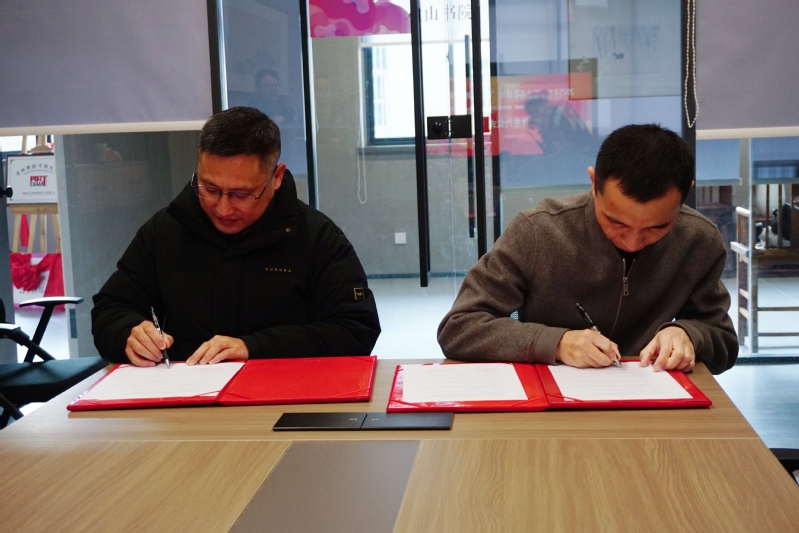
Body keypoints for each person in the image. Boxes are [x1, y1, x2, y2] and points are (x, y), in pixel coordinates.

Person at [438, 123, 738, 375]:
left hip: (652, 400)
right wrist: (556, 342)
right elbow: (459, 327)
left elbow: (724, 342)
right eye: (616, 222)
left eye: (655, 228)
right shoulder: (539, 231)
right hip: (551, 404)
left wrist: (688, 334)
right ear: (594, 182)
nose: (632, 242)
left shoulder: (698, 239)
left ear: (684, 195)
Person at [92, 106, 380, 366]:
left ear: (277, 177)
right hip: (186, 392)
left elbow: (355, 330)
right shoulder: (166, 229)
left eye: (241, 194)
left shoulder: (316, 237)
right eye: (209, 189)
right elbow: (111, 308)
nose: (223, 208)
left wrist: (254, 347)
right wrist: (128, 333)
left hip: (282, 394)